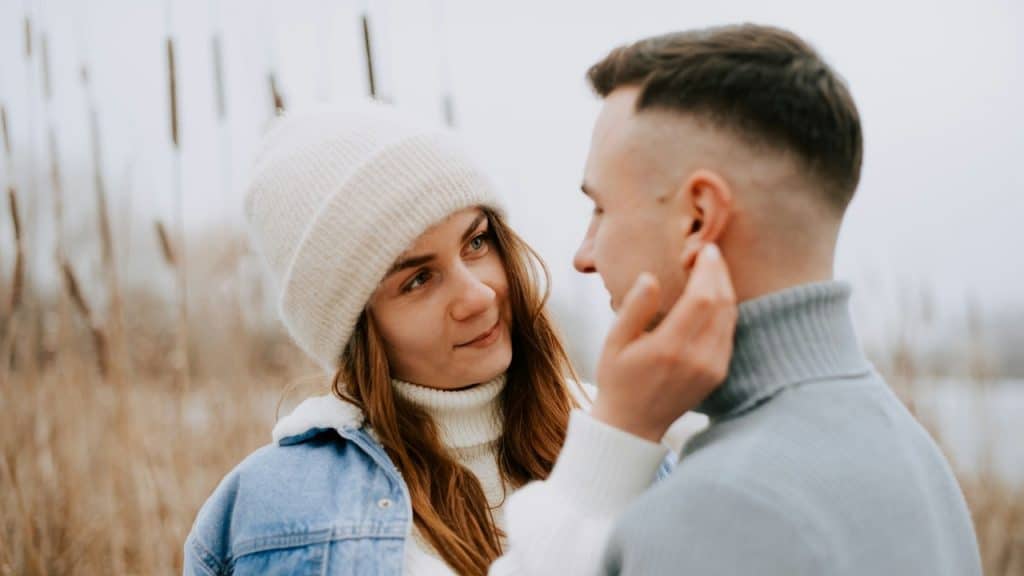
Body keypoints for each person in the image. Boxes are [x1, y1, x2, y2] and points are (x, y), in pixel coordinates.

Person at [494, 24, 982, 576]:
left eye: (601, 208)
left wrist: (605, 451)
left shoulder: (720, 507)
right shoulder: (913, 452)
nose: (584, 255)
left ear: (698, 217)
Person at [183, 102, 734, 576]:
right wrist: (612, 457)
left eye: (476, 242)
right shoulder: (277, 509)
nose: (478, 295)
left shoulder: (635, 436)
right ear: (355, 329)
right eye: (418, 279)